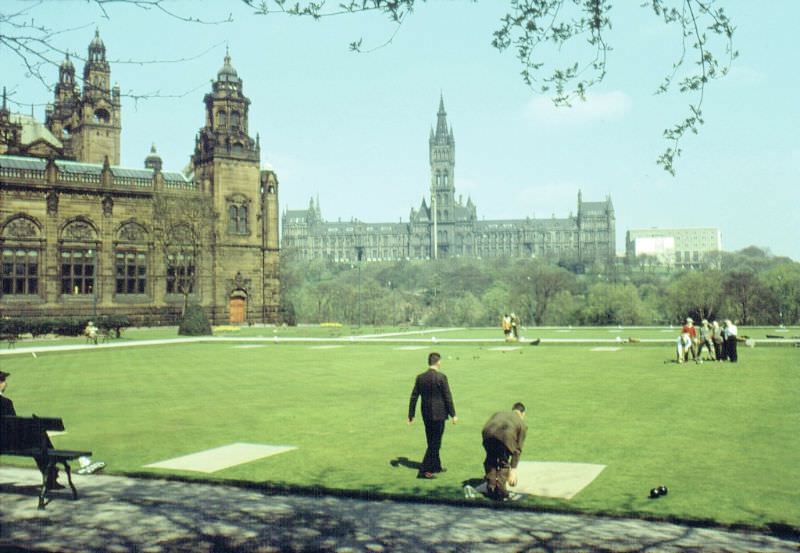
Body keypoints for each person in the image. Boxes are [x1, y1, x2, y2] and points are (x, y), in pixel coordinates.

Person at [0, 371, 63, 489]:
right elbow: (13, 426)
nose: (5, 384)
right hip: (6, 444)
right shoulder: (5, 402)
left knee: (38, 438)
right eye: (3, 381)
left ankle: (51, 473)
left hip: (4, 442)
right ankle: (51, 475)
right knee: (40, 438)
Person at [408, 352, 457, 479]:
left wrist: (411, 414)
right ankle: (424, 470)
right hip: (439, 414)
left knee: (432, 440)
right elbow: (448, 397)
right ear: (438, 362)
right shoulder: (441, 377)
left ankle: (436, 466)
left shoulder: (420, 377)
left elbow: (414, 396)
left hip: (426, 413)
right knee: (435, 442)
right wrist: (453, 414)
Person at [482, 402, 528, 500]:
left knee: (490, 460)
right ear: (522, 413)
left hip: (487, 433)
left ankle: (491, 487)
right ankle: (501, 493)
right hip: (505, 437)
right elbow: (517, 449)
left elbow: (489, 423)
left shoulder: (499, 413)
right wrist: (513, 470)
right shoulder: (521, 424)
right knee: (503, 464)